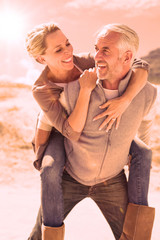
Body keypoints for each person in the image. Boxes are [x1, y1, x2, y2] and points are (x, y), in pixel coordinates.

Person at [26, 23, 156, 240]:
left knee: (143, 152)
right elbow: (69, 131)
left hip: (106, 161)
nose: (68, 51)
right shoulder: (43, 89)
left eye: (67, 43)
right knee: (49, 169)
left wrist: (125, 100)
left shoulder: (84, 61)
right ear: (42, 58)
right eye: (59, 50)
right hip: (63, 133)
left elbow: (138, 62)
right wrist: (86, 89)